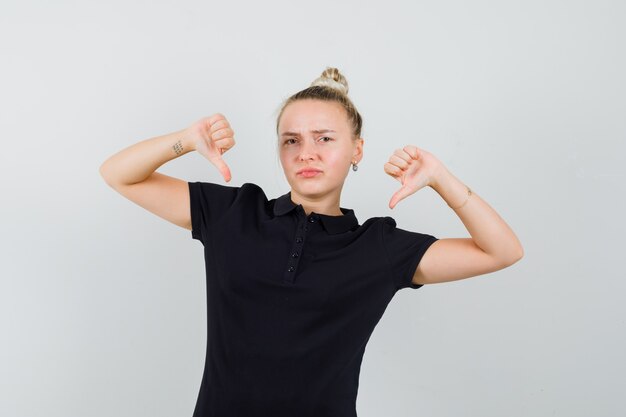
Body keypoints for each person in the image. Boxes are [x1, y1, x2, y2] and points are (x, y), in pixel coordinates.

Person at [100, 67, 523, 417]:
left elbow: (502, 251)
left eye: (324, 138)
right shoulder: (234, 213)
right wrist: (186, 140)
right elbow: (119, 173)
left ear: (357, 150)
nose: (306, 153)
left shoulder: (378, 247)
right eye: (292, 141)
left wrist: (441, 180)